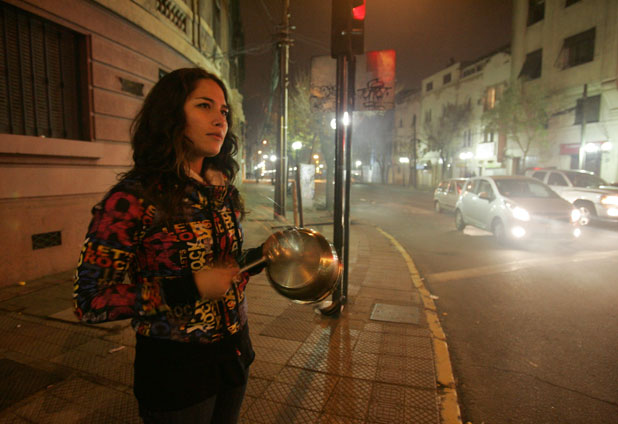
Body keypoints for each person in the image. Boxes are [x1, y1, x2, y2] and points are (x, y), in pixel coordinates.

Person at [73, 68, 266, 424]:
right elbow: (90, 301)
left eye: (223, 111)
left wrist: (263, 256)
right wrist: (188, 287)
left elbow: (224, 269)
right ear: (171, 114)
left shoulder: (222, 191)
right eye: (204, 106)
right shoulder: (133, 198)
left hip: (235, 353)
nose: (219, 120)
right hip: (177, 371)